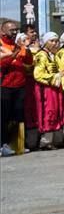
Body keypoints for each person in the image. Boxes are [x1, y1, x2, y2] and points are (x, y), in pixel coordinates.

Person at [1, 21, 32, 156]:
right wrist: (12, 55)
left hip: (19, 85)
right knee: (4, 117)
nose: (14, 32)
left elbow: (28, 62)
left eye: (16, 30)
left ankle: (18, 144)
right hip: (5, 85)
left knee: (18, 115)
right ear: (3, 31)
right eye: (11, 30)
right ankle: (3, 144)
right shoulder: (2, 44)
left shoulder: (16, 45)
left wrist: (27, 49)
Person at [32, 33, 63, 150]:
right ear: (45, 42)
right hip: (45, 88)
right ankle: (45, 141)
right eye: (52, 41)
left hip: (53, 87)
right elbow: (38, 74)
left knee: (54, 111)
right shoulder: (41, 56)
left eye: (56, 41)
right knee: (47, 112)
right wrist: (54, 77)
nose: (55, 44)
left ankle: (51, 139)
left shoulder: (53, 55)